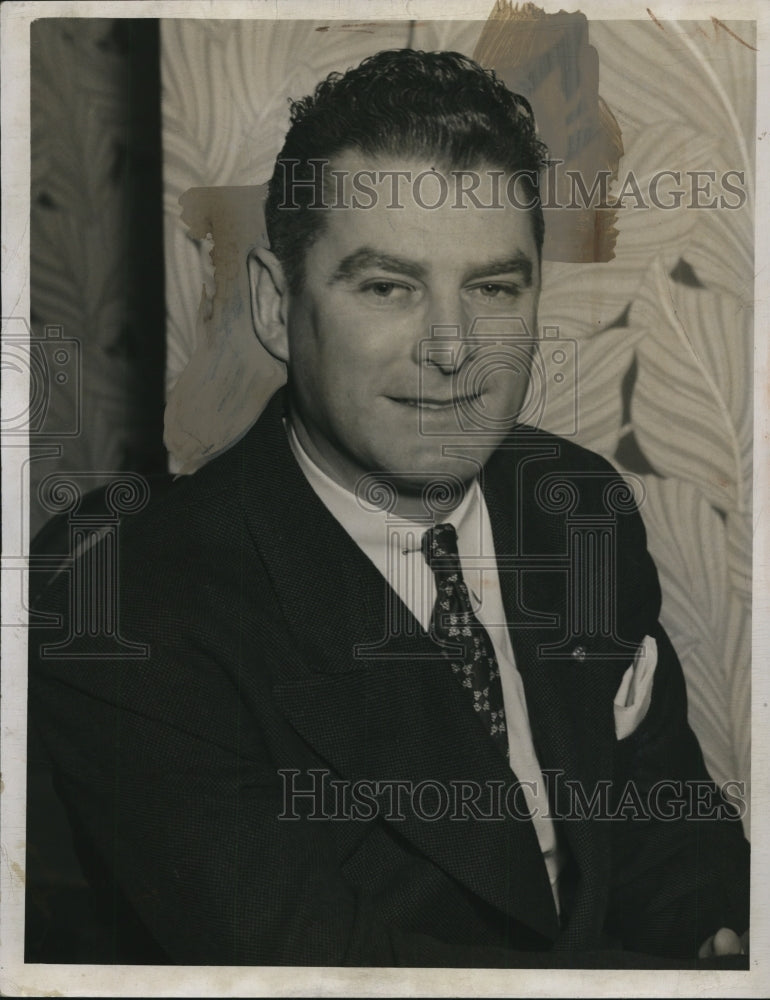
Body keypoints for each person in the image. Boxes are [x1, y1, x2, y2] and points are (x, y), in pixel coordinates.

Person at [28, 48, 749, 967]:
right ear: (274, 305)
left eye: (492, 288)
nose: (452, 350)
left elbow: (664, 822)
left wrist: (717, 934)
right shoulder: (125, 603)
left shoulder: (575, 505)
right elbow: (335, 970)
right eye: (386, 287)